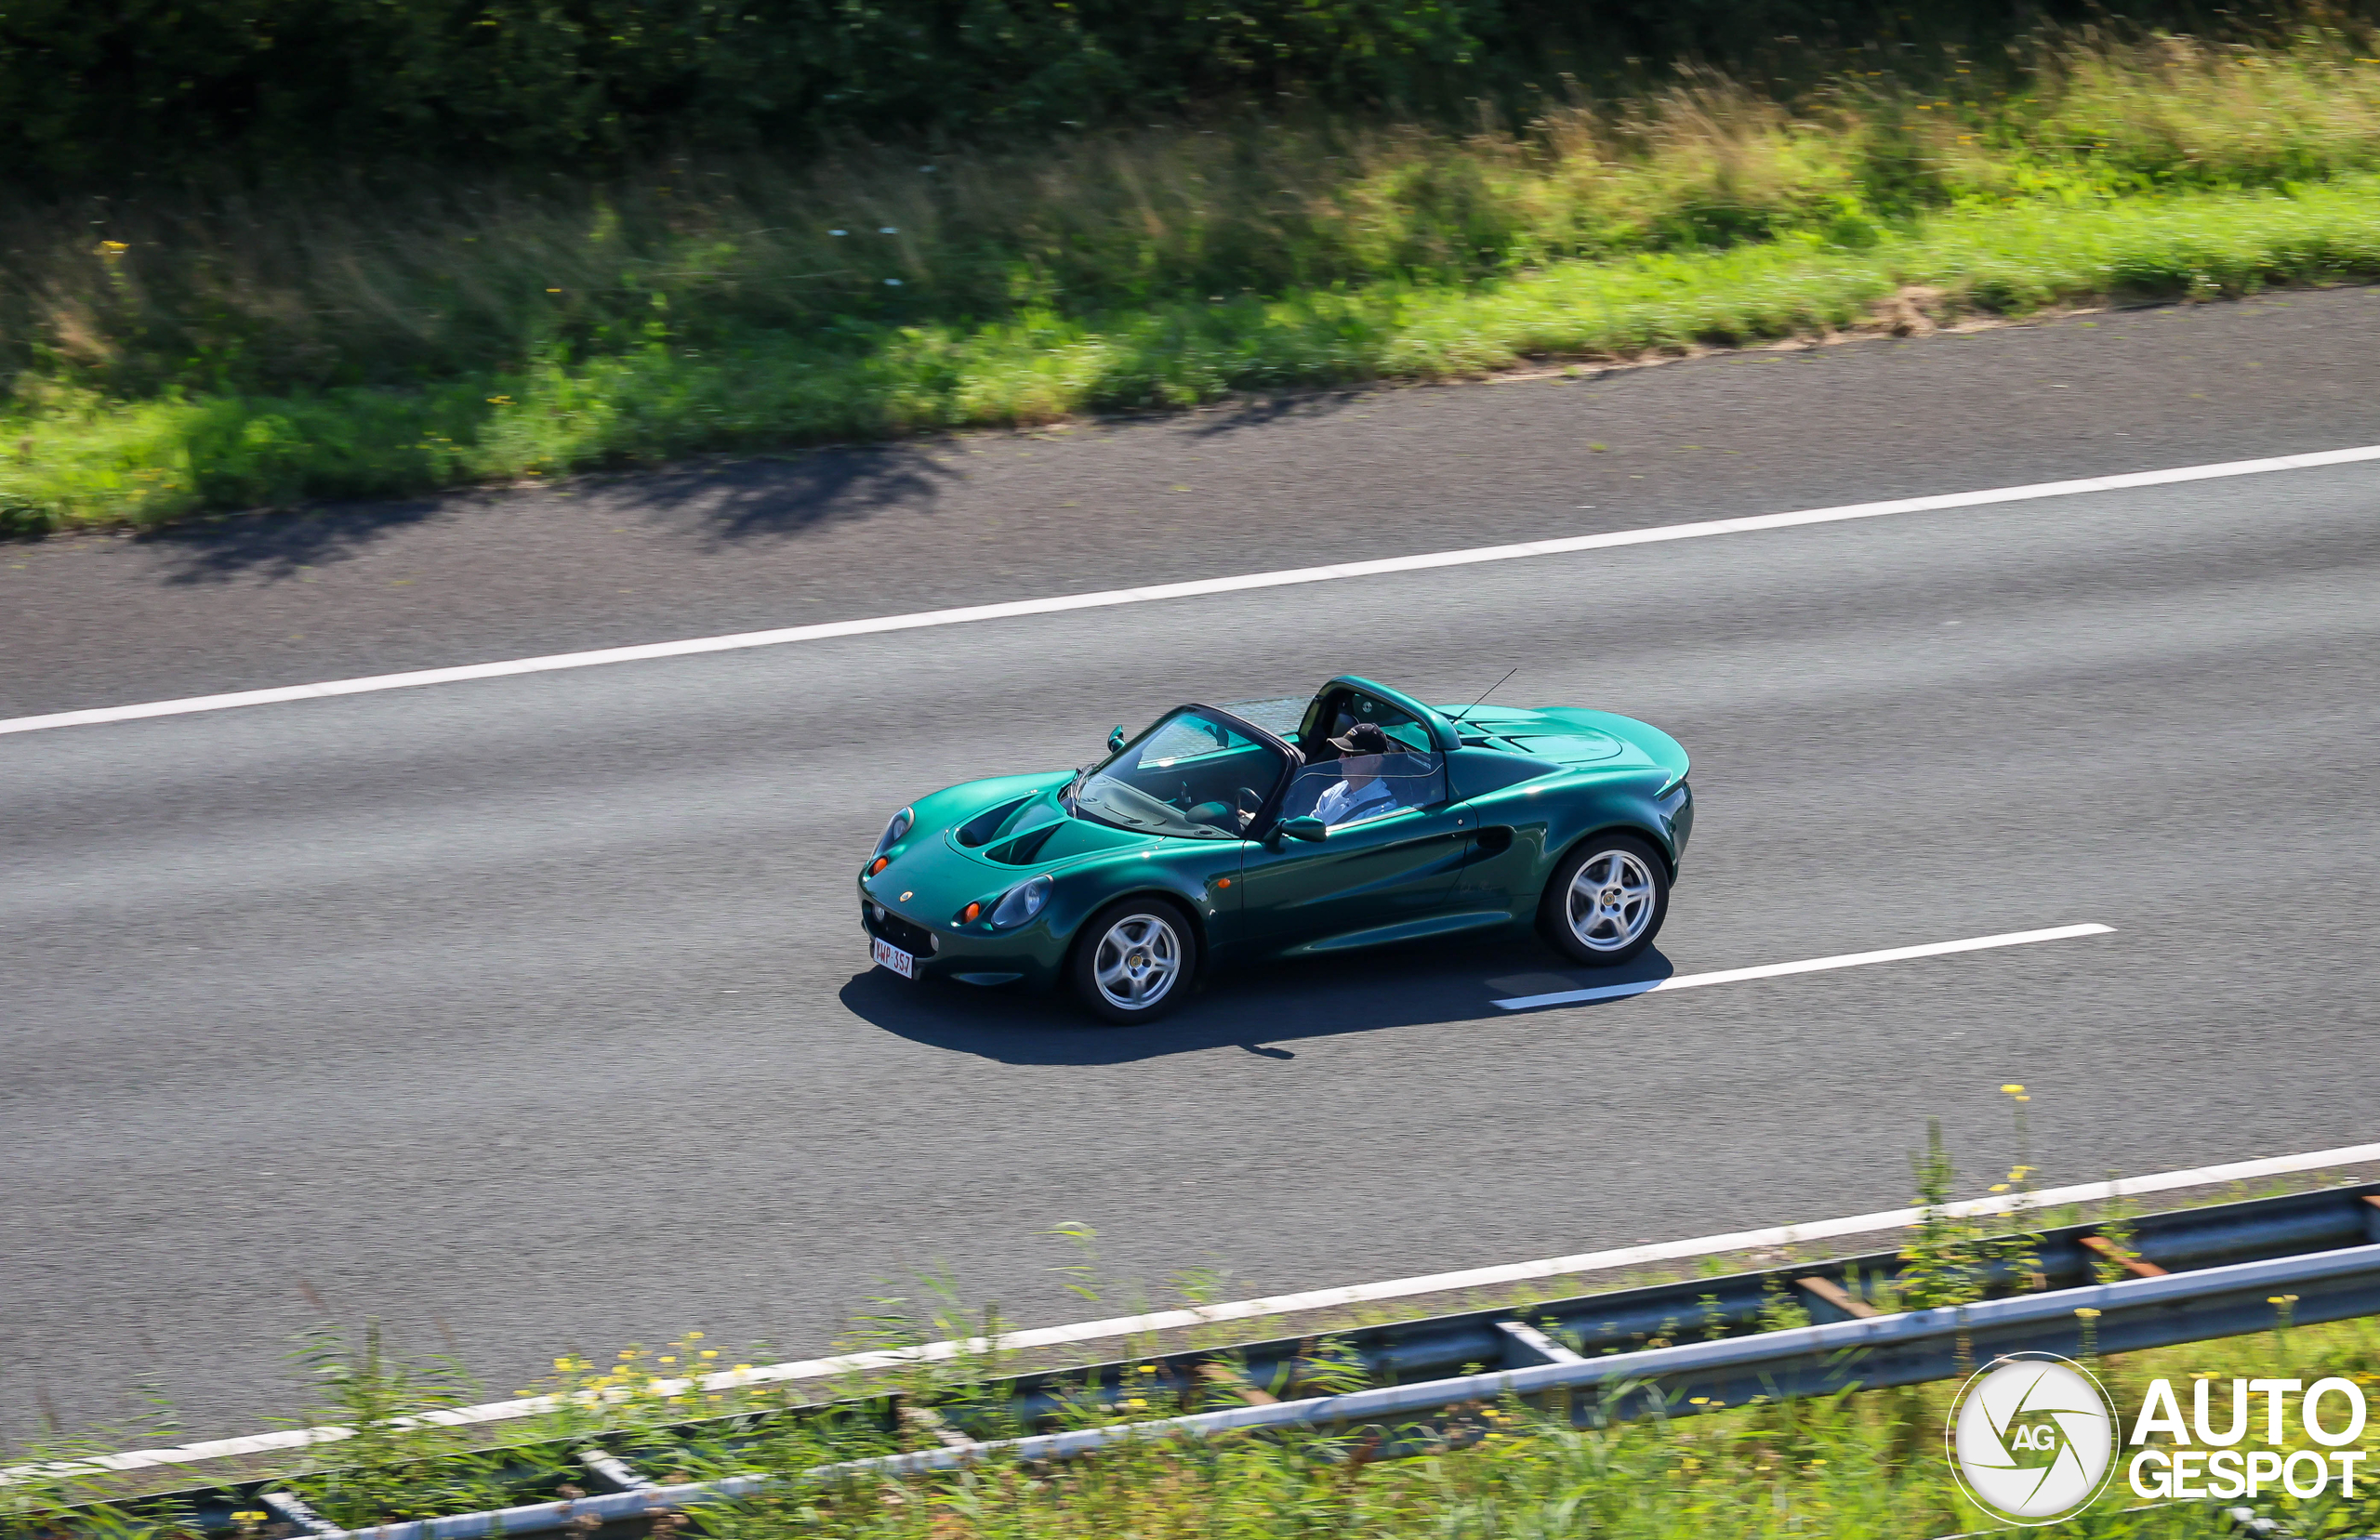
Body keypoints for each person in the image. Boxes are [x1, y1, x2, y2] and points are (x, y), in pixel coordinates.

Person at [1311, 721, 1402, 825]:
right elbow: (1309, 827)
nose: (1340, 760)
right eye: (1342, 753)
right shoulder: (1333, 792)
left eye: (1350, 755)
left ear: (1375, 761)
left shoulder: (1382, 811)